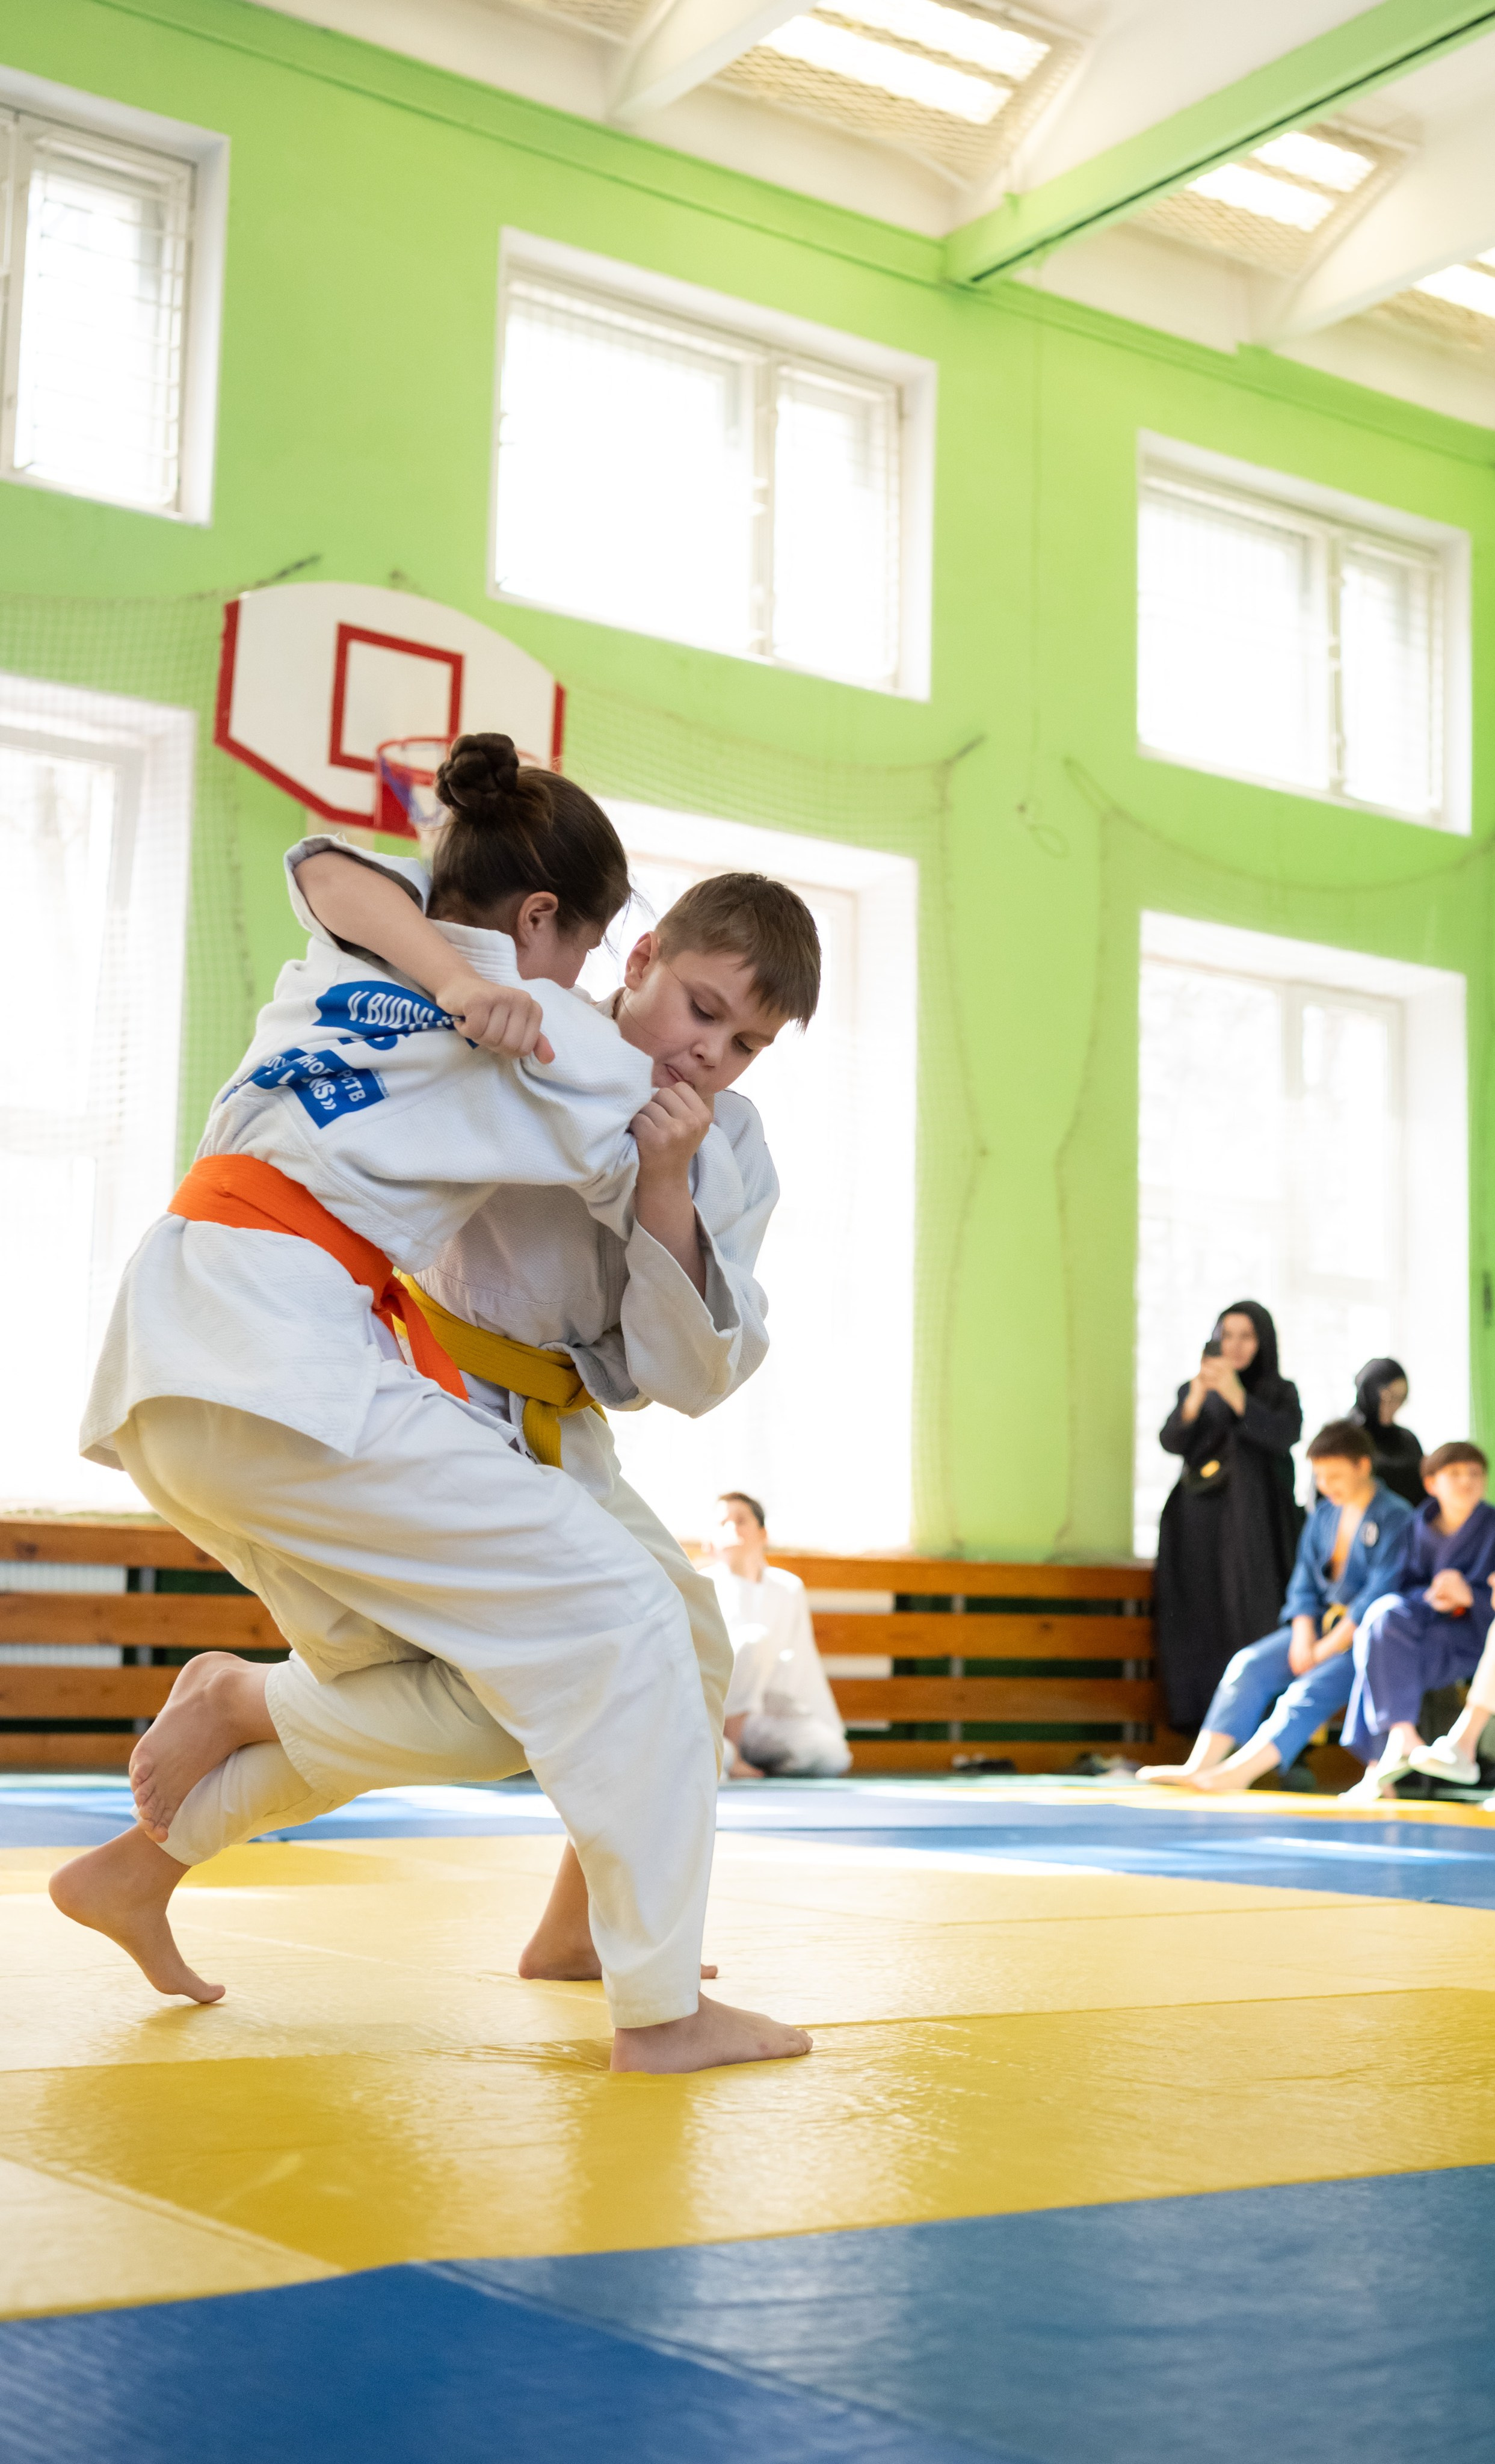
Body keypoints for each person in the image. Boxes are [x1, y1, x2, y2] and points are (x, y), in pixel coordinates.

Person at [55, 735, 813, 2075]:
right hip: (382, 1374)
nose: (711, 1051)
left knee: (670, 1649)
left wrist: (667, 1190)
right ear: (621, 953)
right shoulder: (535, 1024)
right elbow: (343, 875)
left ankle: (575, 1924)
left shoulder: (674, 1116)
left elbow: (695, 1373)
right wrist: (468, 977)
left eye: (746, 1042)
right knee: (595, 1639)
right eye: (699, 1006)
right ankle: (656, 2003)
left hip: (297, 1359)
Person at [1137, 1420, 1413, 1793]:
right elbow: (1303, 1583)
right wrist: (1303, 1637)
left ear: (1363, 1466)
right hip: (1317, 1630)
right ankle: (1199, 1764)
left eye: (1335, 1475)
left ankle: (1238, 1774)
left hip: (1368, 1642)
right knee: (1247, 1666)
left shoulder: (1396, 1516)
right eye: (1320, 1476)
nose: (1326, 1486)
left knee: (1308, 1689)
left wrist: (1326, 1648)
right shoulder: (1324, 1515)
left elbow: (1380, 1592)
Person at [1153, 1301, 1302, 1732]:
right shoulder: (1195, 1389)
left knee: (1257, 1616)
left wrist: (1237, 1396)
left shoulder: (1279, 1392)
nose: (1234, 1345)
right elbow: (1173, 1440)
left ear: (1262, 1342)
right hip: (1198, 1527)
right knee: (1201, 1620)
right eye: (1227, 1335)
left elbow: (1283, 1435)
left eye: (1246, 1336)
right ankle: (1204, 1729)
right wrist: (1201, 1391)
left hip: (1259, 1528)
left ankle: (1267, 1734)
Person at [1338, 1443, 1495, 1801]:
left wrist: (1470, 1597)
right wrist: (1433, 1595)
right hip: (1422, 1625)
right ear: (1431, 1483)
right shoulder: (1416, 1525)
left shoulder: (1492, 1526)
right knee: (1380, 1619)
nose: (1467, 1482)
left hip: (1476, 1637)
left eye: (1475, 1474)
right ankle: (1403, 1734)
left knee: (1381, 1657)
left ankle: (1382, 1766)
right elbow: (1401, 1584)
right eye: (1454, 1474)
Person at [708, 1492, 851, 1779]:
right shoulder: (704, 1586)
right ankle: (729, 1751)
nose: (732, 1529)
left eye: (740, 1520)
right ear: (709, 1541)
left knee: (831, 1755)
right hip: (718, 1716)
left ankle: (755, 1764)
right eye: (722, 1523)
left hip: (767, 1717)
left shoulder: (788, 1588)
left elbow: (802, 1660)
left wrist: (820, 1721)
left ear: (763, 1534)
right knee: (754, 1640)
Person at [1348, 1357, 1424, 1509]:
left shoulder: (1408, 1440)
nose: (1394, 1405)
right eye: (1388, 1396)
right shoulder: (1345, 1439)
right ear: (1369, 1391)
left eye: (1401, 1398)